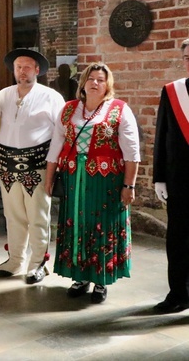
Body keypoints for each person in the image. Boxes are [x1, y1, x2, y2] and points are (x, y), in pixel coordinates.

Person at [45, 62, 140, 304]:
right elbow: (55, 147)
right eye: (91, 78)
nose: (95, 83)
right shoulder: (68, 110)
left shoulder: (120, 110)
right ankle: (80, 276)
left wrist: (129, 185)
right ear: (83, 83)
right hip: (73, 180)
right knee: (76, 223)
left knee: (102, 225)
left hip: (106, 182)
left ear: (108, 85)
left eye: (100, 79)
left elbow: (132, 152)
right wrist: (49, 179)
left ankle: (101, 279)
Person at [0, 49, 65, 283]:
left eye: (26, 67)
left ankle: (38, 264)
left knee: (37, 216)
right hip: (6, 165)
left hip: (37, 166)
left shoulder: (51, 97)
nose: (21, 71)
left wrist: (53, 168)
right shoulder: (3, 95)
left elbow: (61, 134)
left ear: (37, 70)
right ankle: (15, 260)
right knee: (13, 216)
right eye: (17, 67)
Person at [153, 38, 189, 313]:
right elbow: (162, 136)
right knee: (177, 239)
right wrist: (159, 178)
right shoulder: (173, 91)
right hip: (180, 179)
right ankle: (178, 293)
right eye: (187, 56)